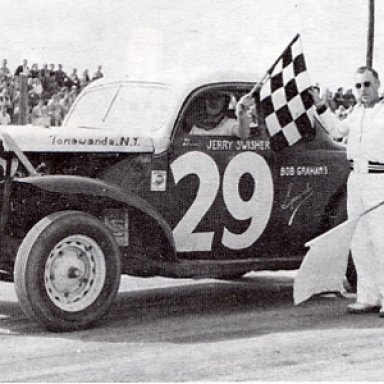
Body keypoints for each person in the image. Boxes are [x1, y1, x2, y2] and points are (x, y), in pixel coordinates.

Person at [310, 66, 384, 316]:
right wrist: (320, 105)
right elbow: (337, 131)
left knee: (381, 241)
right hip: (356, 178)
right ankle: (368, 296)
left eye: (367, 84)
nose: (363, 90)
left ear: (378, 84)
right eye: (359, 85)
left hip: (379, 179)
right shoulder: (356, 113)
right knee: (360, 240)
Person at [189, 92, 253, 139]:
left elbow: (243, 134)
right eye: (210, 97)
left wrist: (241, 114)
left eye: (218, 97)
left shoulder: (229, 124)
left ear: (225, 102)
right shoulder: (196, 126)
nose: (213, 101)